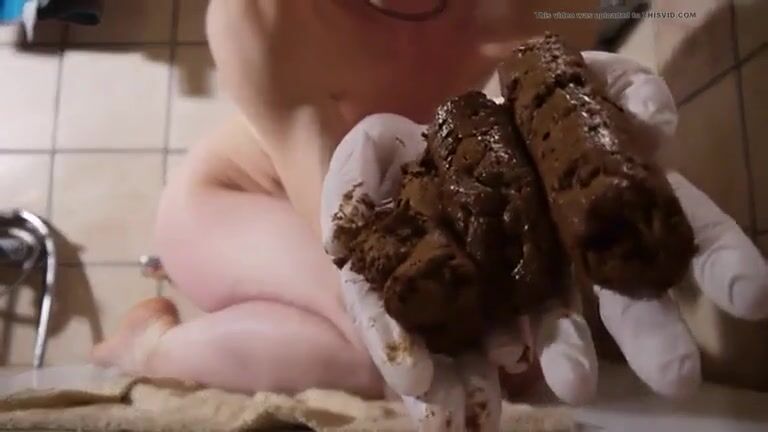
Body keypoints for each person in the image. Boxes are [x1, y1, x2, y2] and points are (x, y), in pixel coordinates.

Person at [92, 0, 768, 430]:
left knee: (521, 366)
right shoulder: (260, 15)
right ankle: (146, 347)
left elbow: (528, 130)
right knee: (381, 352)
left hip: (408, 177)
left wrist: (592, 158)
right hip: (234, 201)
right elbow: (339, 221)